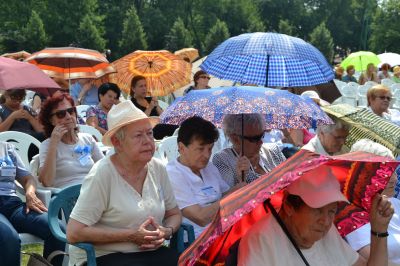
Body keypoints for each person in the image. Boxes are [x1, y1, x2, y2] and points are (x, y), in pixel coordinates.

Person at [67, 101, 181, 266]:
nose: (148, 141)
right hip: (105, 256)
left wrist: (167, 231)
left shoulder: (157, 168)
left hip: (151, 254)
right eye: (138, 135)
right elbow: (74, 232)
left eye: (149, 133)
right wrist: (130, 236)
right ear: (117, 142)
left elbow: (174, 214)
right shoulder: (103, 173)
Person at [238, 165, 394, 266]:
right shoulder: (260, 241)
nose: (326, 221)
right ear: (289, 207)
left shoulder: (325, 231)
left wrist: (379, 229)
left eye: (331, 211)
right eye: (317, 210)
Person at [166, 116, 243, 238]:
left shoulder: (209, 168)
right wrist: (233, 194)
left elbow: (225, 194)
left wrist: (240, 178)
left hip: (223, 232)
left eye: (210, 149)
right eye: (200, 149)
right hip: (196, 240)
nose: (207, 155)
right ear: (182, 148)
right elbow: (200, 218)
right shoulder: (173, 174)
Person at [0, 141, 65, 266]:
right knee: (9, 238)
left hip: (12, 204)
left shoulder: (6, 147)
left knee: (56, 228)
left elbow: (27, 178)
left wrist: (30, 193)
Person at [346, 139, 400, 265]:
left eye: (393, 170)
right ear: (364, 175)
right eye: (384, 172)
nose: (394, 179)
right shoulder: (351, 216)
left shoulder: (395, 203)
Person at [38, 94, 104, 188]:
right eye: (61, 114)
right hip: (66, 197)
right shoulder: (47, 145)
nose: (68, 116)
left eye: (71, 111)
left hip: (92, 191)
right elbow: (46, 182)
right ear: (51, 121)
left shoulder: (87, 139)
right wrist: (54, 143)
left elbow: (104, 168)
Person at [212, 114, 286, 188]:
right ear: (235, 139)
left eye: (262, 135)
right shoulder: (223, 160)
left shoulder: (273, 150)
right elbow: (228, 196)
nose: (261, 142)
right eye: (255, 138)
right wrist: (241, 180)